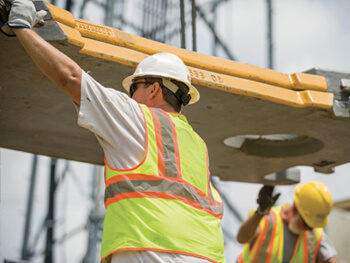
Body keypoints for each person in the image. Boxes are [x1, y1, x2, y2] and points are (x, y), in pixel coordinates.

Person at [1, 1, 225, 262]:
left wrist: (21, 27)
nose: (130, 96)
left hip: (151, 252)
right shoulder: (198, 145)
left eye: (134, 88)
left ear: (152, 89)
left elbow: (70, 78)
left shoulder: (138, 118)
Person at [236, 182, 339, 263]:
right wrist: (260, 213)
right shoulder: (267, 219)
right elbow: (242, 238)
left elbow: (330, 260)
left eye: (314, 225)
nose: (310, 229)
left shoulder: (316, 234)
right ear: (296, 210)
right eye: (307, 224)